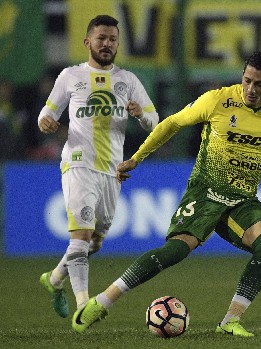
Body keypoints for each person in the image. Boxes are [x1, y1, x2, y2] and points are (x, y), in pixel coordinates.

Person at [70, 50, 261, 336]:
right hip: (205, 194)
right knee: (175, 251)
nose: (251, 89)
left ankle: (230, 321)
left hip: (241, 201)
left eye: (259, 84)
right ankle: (103, 301)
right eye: (247, 81)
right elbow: (173, 123)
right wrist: (137, 157)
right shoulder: (217, 100)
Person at [38, 15, 159, 318]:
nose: (107, 44)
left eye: (113, 39)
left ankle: (54, 279)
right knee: (80, 235)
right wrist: (47, 122)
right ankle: (83, 306)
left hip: (112, 171)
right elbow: (46, 113)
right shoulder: (70, 76)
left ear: (118, 43)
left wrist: (140, 115)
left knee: (94, 243)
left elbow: (154, 121)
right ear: (87, 41)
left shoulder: (127, 80)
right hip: (78, 163)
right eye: (101, 38)